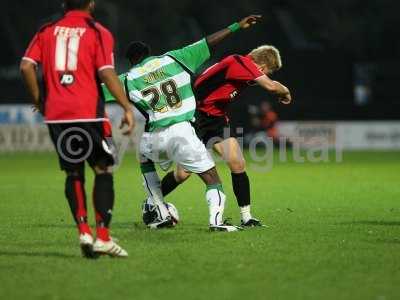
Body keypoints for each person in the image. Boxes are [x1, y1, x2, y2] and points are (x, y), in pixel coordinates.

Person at [104, 15, 261, 231]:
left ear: (132, 61)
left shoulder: (127, 78)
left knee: (145, 161)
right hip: (182, 132)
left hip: (153, 137)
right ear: (149, 54)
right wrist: (236, 26)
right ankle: (216, 222)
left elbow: (91, 91)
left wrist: (45, 100)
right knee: (212, 178)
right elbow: (208, 42)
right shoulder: (175, 59)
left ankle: (158, 211)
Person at [20, 0, 135, 258]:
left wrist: (39, 99)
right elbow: (106, 72)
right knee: (102, 168)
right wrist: (126, 107)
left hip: (57, 115)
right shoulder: (98, 32)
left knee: (73, 172)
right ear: (91, 4)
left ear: (63, 4)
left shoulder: (46, 30)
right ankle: (103, 237)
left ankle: (84, 231)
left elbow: (26, 65)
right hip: (88, 113)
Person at [159, 45, 292, 227]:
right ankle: (153, 202)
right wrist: (286, 92)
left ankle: (247, 217)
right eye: (267, 71)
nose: (265, 75)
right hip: (196, 117)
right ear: (261, 66)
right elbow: (270, 86)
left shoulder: (241, 65)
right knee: (183, 174)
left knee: (237, 162)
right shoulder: (239, 62)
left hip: (216, 118)